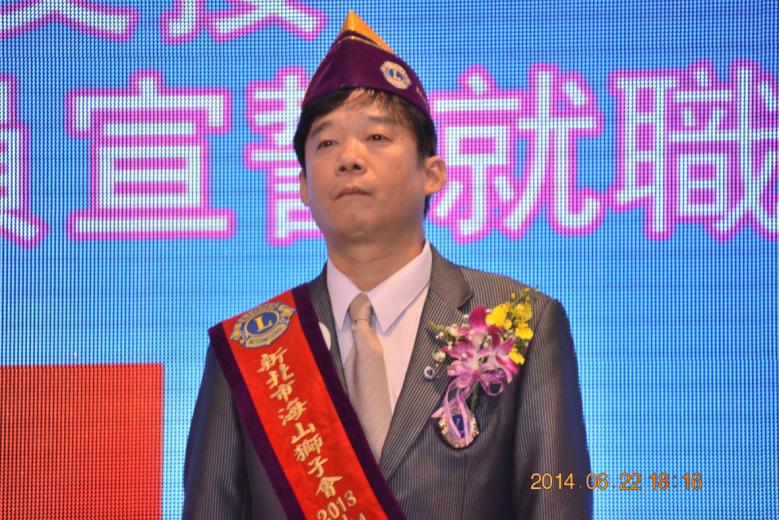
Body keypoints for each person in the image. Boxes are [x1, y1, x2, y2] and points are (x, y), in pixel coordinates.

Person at [183, 12, 591, 519]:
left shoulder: (522, 322)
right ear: (303, 186)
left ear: (432, 173)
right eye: (326, 143)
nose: (349, 158)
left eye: (376, 137)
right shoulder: (251, 351)